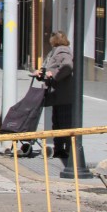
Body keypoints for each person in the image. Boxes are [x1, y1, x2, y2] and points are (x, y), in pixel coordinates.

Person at [34, 31, 75, 160]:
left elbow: (67, 67)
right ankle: (59, 148)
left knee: (63, 122)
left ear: (55, 40)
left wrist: (54, 74)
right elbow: (48, 68)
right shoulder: (55, 51)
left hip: (63, 93)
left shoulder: (63, 52)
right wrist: (42, 74)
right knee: (57, 122)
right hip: (57, 93)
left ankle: (67, 149)